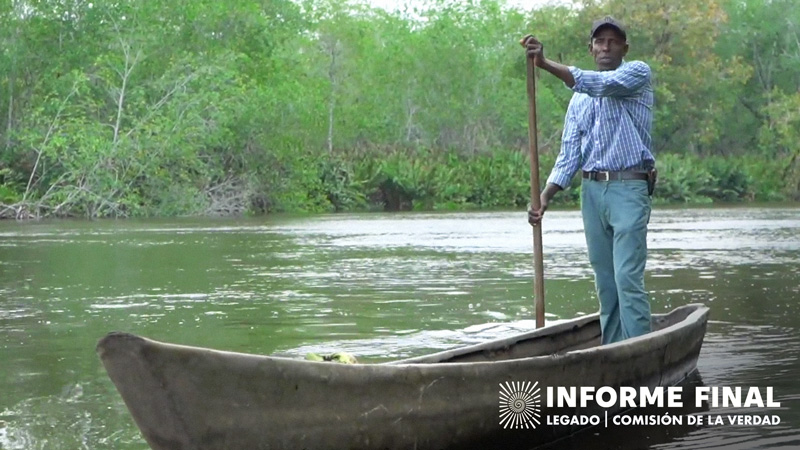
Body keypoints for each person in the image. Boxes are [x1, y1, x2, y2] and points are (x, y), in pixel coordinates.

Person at [521, 17, 655, 344]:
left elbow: (600, 85)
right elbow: (569, 156)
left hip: (629, 187)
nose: (606, 47)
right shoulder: (579, 100)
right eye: (600, 41)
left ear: (625, 47)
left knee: (626, 278)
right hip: (592, 193)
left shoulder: (636, 74)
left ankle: (640, 350)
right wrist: (544, 197)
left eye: (613, 41)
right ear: (591, 47)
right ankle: (611, 352)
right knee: (606, 282)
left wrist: (544, 64)